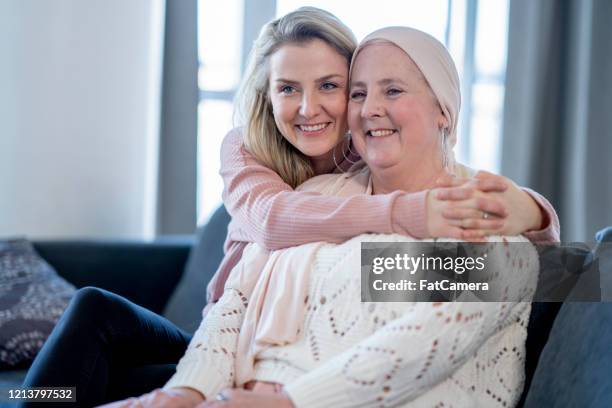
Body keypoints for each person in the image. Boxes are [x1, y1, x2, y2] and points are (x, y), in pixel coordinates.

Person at [22, 7, 558, 408]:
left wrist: (535, 215)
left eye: (335, 87)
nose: (365, 109)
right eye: (362, 94)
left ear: (445, 109)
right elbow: (267, 239)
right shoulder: (262, 158)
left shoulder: (460, 220)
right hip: (219, 348)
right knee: (79, 345)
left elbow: (520, 281)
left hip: (259, 379)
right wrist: (188, 390)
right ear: (267, 95)